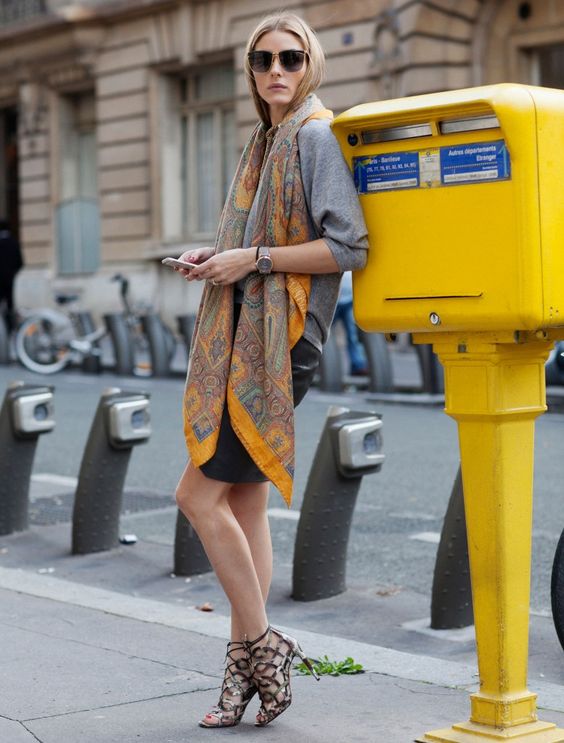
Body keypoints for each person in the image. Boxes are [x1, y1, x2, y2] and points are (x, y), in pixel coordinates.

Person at [174, 12, 368, 729]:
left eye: (291, 57)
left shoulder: (313, 135)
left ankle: (263, 647)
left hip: (281, 344)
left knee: (195, 496)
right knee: (244, 503)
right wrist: (214, 255)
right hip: (250, 333)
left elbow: (348, 246)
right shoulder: (265, 139)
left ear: (310, 62)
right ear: (251, 70)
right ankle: (242, 678)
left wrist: (249, 261)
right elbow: (259, 240)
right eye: (263, 60)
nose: (277, 70)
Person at [333, 270, 368, 375]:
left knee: (352, 335)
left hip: (349, 299)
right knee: (323, 335)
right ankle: (318, 366)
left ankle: (358, 365)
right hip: (334, 300)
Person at [0, 219, 23, 332]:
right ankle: (11, 328)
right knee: (10, 306)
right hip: (10, 278)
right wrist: (12, 272)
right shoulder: (14, 242)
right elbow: (20, 263)